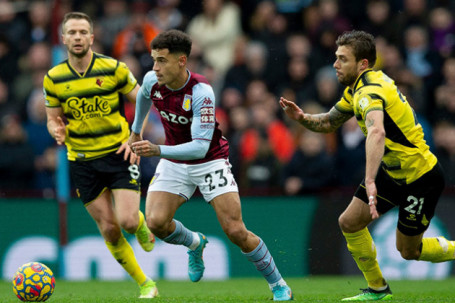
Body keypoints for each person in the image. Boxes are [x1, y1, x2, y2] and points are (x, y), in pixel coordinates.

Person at [280, 30, 454, 301]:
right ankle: (378, 289)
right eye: (335, 58)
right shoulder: (357, 90)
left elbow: (377, 133)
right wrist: (302, 118)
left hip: (419, 177)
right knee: (349, 222)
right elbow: (329, 122)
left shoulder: (369, 92)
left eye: (342, 59)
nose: (335, 65)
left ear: (362, 64)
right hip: (393, 172)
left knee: (409, 251)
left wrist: (370, 179)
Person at [128, 29, 293, 301]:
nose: (155, 67)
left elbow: (200, 146)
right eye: (153, 60)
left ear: (182, 61)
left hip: (209, 161)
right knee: (156, 222)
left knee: (235, 231)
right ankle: (195, 242)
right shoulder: (151, 80)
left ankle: (278, 284)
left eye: (161, 61)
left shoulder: (201, 92)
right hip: (174, 160)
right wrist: (136, 131)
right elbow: (144, 96)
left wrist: (157, 149)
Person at [43, 12, 158, 299]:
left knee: (129, 221)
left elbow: (142, 99)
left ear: (92, 37)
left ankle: (141, 224)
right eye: (72, 32)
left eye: (83, 32)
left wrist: (135, 135)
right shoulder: (54, 78)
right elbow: (52, 118)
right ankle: (147, 284)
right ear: (63, 38)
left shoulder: (113, 68)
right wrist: (55, 130)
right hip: (81, 160)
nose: (78, 37)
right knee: (109, 229)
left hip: (119, 152)